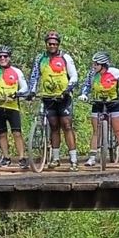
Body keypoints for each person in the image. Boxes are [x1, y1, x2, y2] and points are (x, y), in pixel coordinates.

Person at [28, 31, 80, 169]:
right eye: (50, 43)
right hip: (47, 97)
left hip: (63, 97)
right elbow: (34, 76)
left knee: (67, 126)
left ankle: (73, 160)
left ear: (58, 45)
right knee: (54, 127)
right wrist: (31, 91)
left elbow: (74, 76)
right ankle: (55, 158)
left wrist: (68, 89)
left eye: (55, 44)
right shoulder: (40, 58)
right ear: (46, 44)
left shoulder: (65, 57)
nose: (52, 46)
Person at [79, 51, 119, 167]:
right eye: (93, 64)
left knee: (118, 130)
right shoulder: (92, 74)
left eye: (96, 64)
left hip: (114, 103)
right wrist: (84, 94)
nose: (93, 66)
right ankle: (92, 158)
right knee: (96, 131)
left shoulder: (114, 72)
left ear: (103, 65)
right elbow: (87, 86)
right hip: (98, 103)